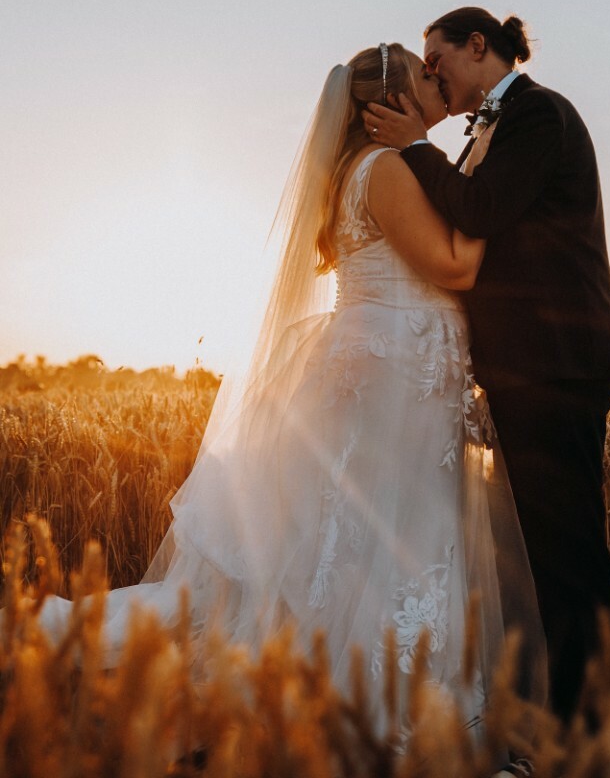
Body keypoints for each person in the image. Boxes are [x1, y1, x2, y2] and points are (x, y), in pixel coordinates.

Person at [35, 43, 545, 746]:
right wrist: (493, 188)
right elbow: (452, 265)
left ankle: (374, 690)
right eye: (423, 76)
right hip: (396, 378)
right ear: (390, 103)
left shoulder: (360, 169)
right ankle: (373, 701)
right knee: (384, 541)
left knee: (367, 545)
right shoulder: (387, 168)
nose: (437, 81)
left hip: (398, 374)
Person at [363, 9, 610, 723]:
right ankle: (587, 719)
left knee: (567, 555)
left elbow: (478, 214)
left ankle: (595, 732)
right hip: (531, 368)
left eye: (435, 57)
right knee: (550, 554)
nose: (429, 74)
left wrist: (415, 145)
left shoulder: (539, 115)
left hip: (556, 366)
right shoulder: (494, 126)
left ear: (478, 46)